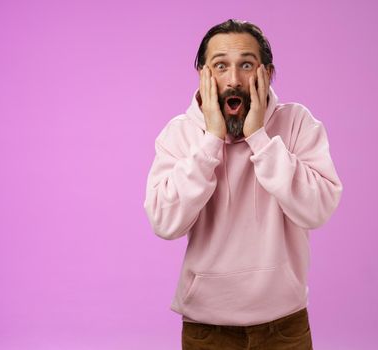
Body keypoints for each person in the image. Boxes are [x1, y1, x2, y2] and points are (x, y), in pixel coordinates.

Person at [143, 19, 343, 349]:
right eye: (221, 65)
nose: (234, 79)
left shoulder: (297, 124)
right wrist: (210, 143)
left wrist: (259, 139)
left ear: (268, 73)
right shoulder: (178, 134)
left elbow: (318, 211)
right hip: (207, 328)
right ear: (203, 75)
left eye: (246, 65)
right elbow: (165, 223)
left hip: (284, 325)